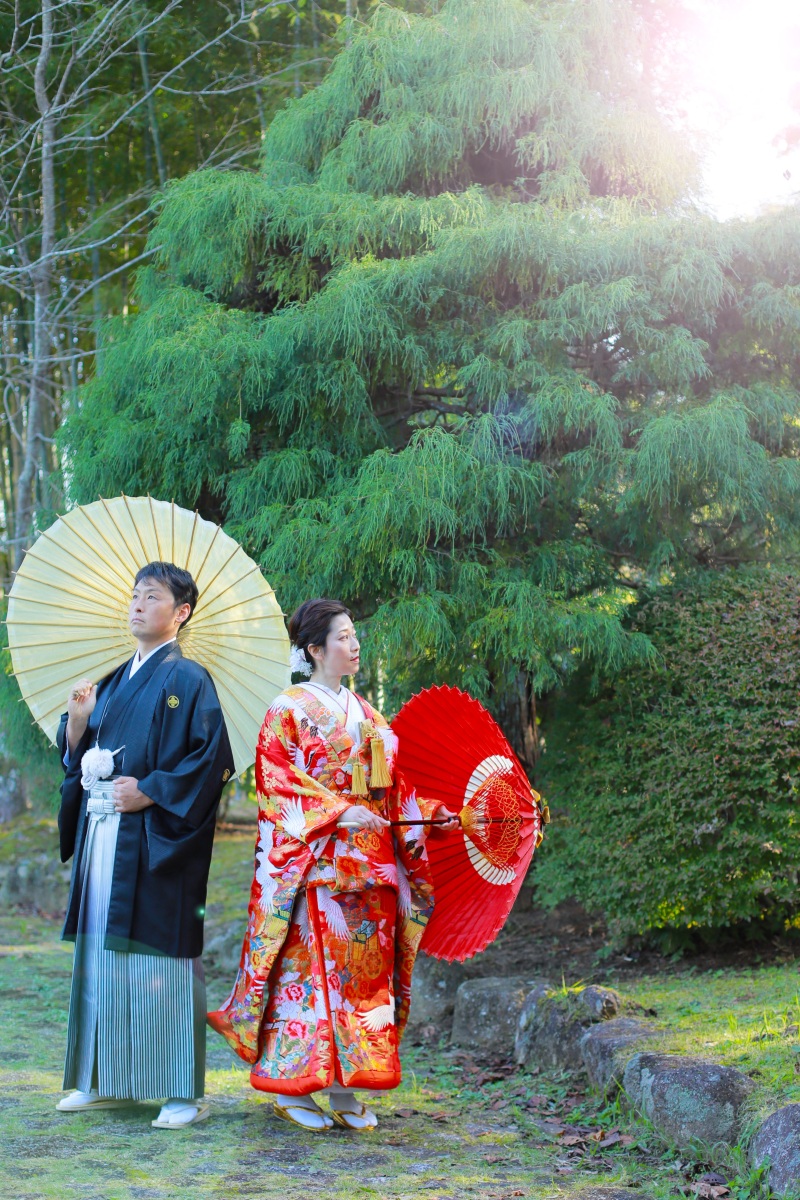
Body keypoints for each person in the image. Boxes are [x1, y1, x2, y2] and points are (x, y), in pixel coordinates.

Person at [208, 598, 457, 1132]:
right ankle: (293, 1085)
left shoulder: (369, 715)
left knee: (362, 982)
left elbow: (396, 792)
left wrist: (434, 815)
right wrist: (340, 812)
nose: (355, 644)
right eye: (343, 637)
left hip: (372, 868)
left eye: (354, 635)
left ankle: (345, 1087)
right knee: (309, 978)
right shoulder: (288, 709)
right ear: (314, 649)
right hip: (315, 867)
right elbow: (276, 783)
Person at [56, 561, 234, 1128]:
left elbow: (211, 761)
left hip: (157, 841)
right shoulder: (109, 683)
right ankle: (102, 1079)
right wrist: (78, 725)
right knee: (101, 952)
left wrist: (151, 791)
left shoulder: (189, 679)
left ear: (181, 613)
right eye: (135, 595)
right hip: (103, 834)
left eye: (152, 596)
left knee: (162, 956)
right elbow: (79, 757)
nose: (137, 604)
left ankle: (180, 1090)